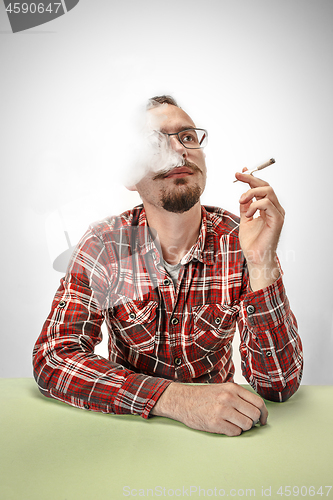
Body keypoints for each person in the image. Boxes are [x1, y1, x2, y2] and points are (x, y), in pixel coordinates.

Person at [33, 95, 303, 436]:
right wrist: (177, 400)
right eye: (155, 143)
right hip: (130, 435)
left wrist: (262, 261)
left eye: (188, 137)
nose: (179, 150)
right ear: (130, 176)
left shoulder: (243, 240)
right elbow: (53, 358)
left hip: (223, 436)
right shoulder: (104, 243)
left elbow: (278, 385)